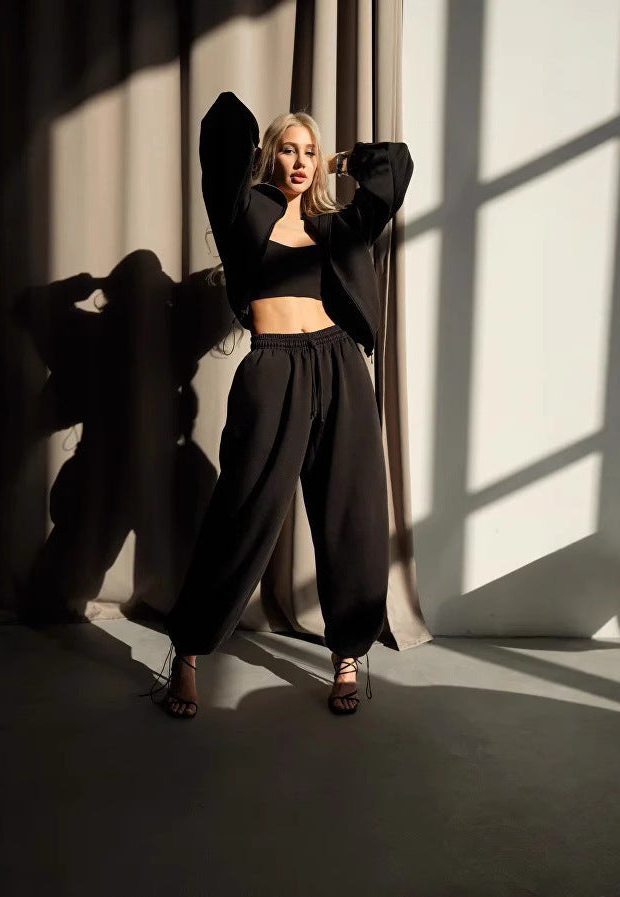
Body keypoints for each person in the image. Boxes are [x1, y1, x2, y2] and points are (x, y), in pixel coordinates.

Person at [147, 90, 413, 718]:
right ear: (271, 156)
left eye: (310, 153)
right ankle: (188, 651)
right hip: (272, 369)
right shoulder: (244, 214)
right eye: (289, 151)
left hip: (340, 364)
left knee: (350, 512)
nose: (300, 162)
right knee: (242, 510)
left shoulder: (336, 225)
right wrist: (263, 157)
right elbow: (223, 124)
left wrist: (343, 162)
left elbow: (395, 166)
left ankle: (347, 654)